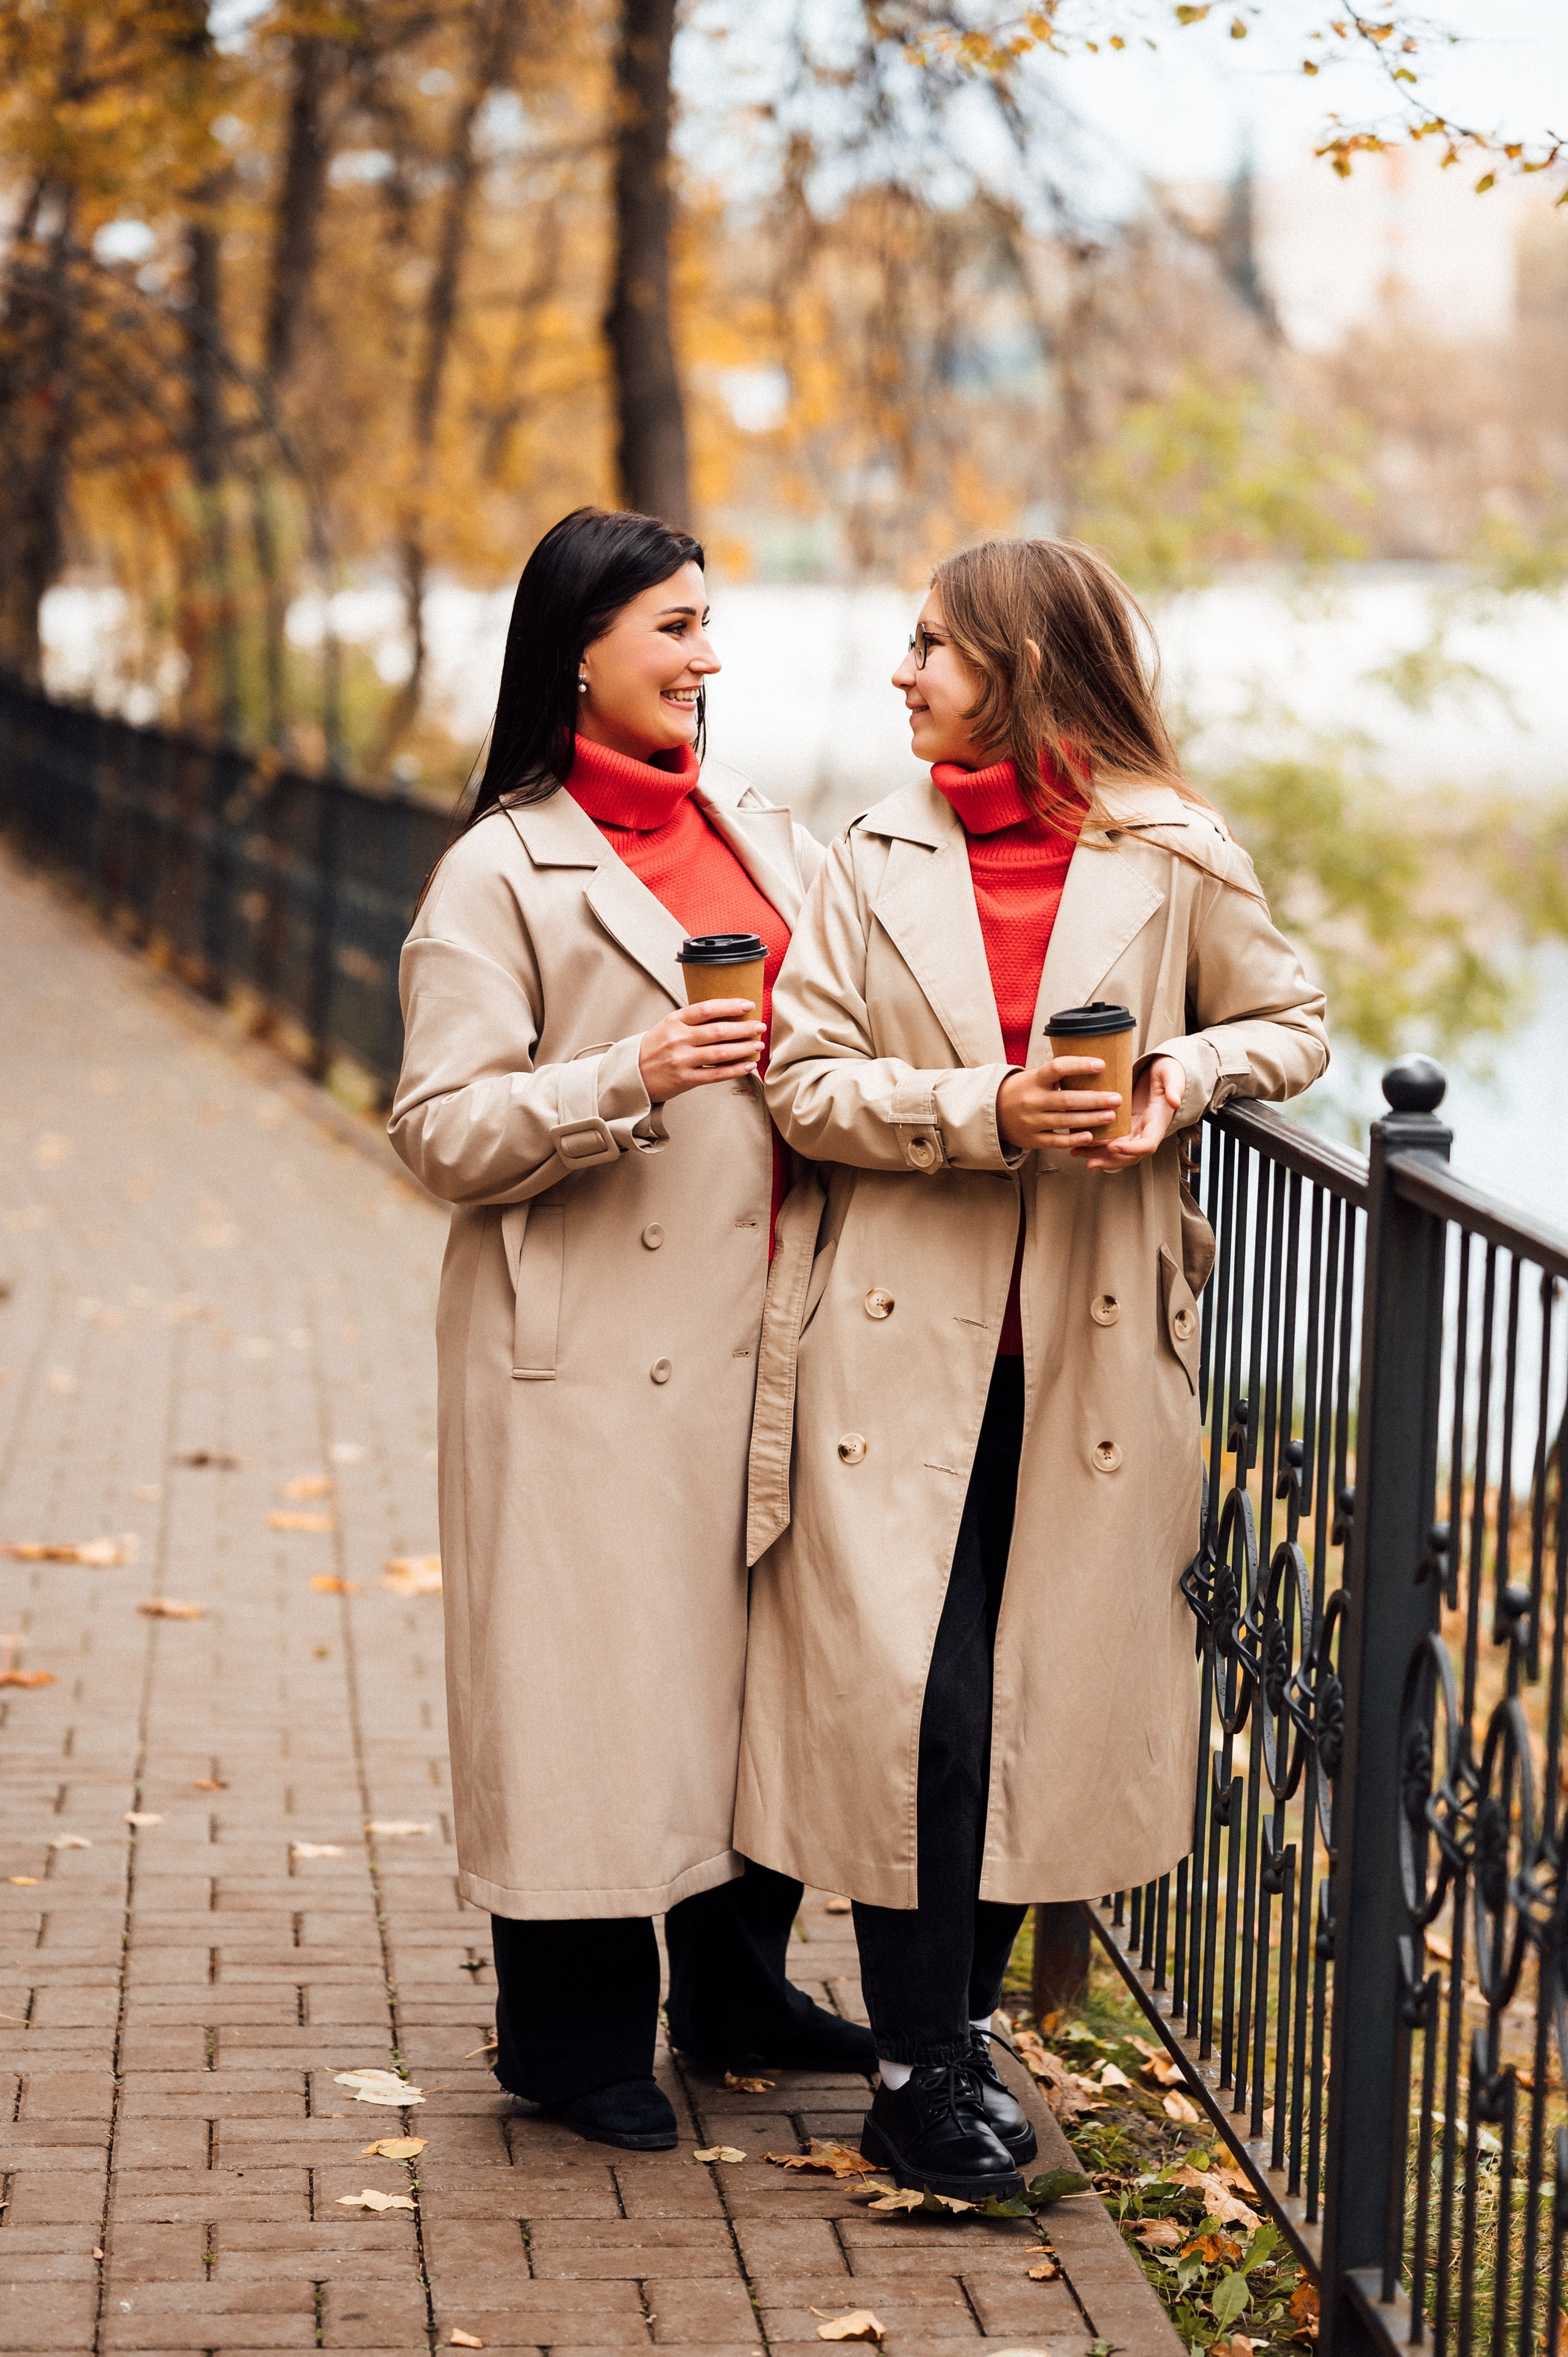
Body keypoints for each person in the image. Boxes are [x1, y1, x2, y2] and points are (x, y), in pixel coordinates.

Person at [736, 535, 1328, 2198]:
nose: (905, 672)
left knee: (1028, 1706)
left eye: (935, 645)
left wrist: (1180, 1077)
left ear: (1024, 663)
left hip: (1088, 1357)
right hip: (890, 1356)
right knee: (919, 1708)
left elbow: (1293, 1023)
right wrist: (983, 1109)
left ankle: (947, 2046)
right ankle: (921, 2067)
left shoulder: (1175, 850)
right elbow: (803, 1083)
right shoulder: (872, 852)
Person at [389, 506, 875, 2153]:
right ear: (579, 648)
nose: (706, 657)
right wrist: (627, 1076)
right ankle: (570, 2043)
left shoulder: (765, 833)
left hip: (774, 1325)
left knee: (752, 1677)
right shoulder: (497, 870)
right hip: (587, 1350)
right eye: (674, 627)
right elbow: (439, 1131)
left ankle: (737, 1995)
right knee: (590, 1685)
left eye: (708, 625)